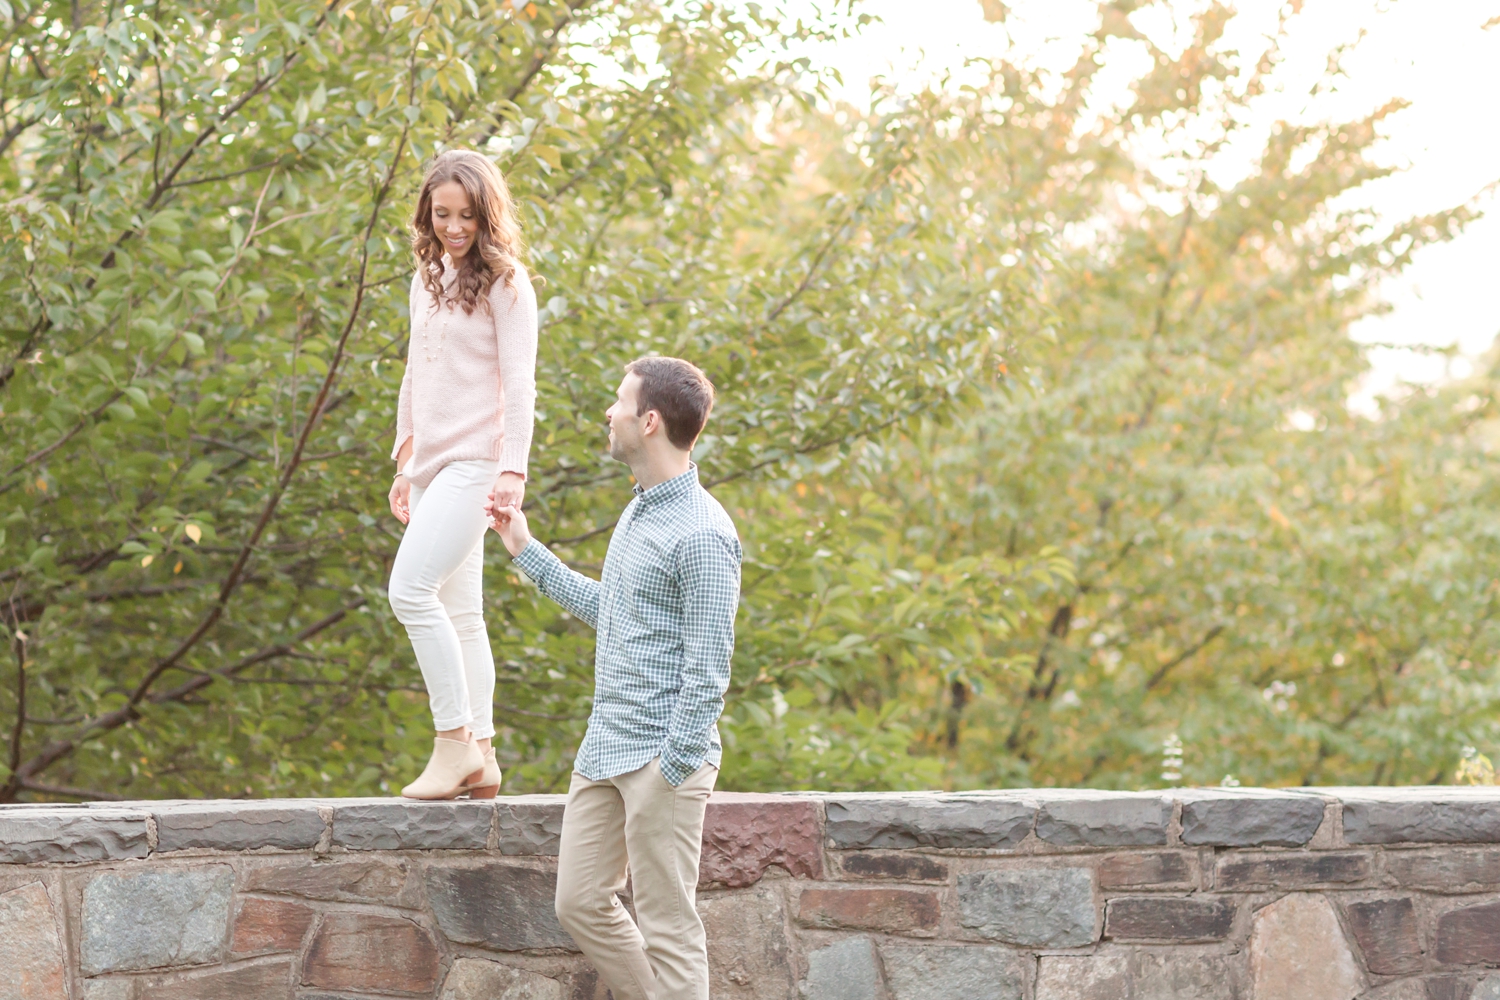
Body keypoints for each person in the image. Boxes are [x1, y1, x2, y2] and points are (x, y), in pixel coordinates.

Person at [487, 357, 741, 1000]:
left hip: (662, 760)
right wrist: (525, 549)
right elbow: (615, 613)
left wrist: (672, 767)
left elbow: (709, 670)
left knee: (669, 929)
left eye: (619, 402)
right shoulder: (638, 512)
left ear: (649, 421)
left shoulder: (705, 533)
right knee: (578, 902)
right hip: (605, 749)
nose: (610, 412)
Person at [386, 149, 537, 800]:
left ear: (487, 213)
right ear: (427, 213)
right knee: (462, 612)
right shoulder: (425, 277)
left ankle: (455, 743)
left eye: (466, 215)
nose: (453, 227)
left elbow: (521, 383)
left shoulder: (507, 283)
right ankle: (485, 753)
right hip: (430, 463)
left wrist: (513, 470)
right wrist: (404, 457)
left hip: (478, 462)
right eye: (442, 214)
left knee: (409, 592)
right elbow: (416, 371)